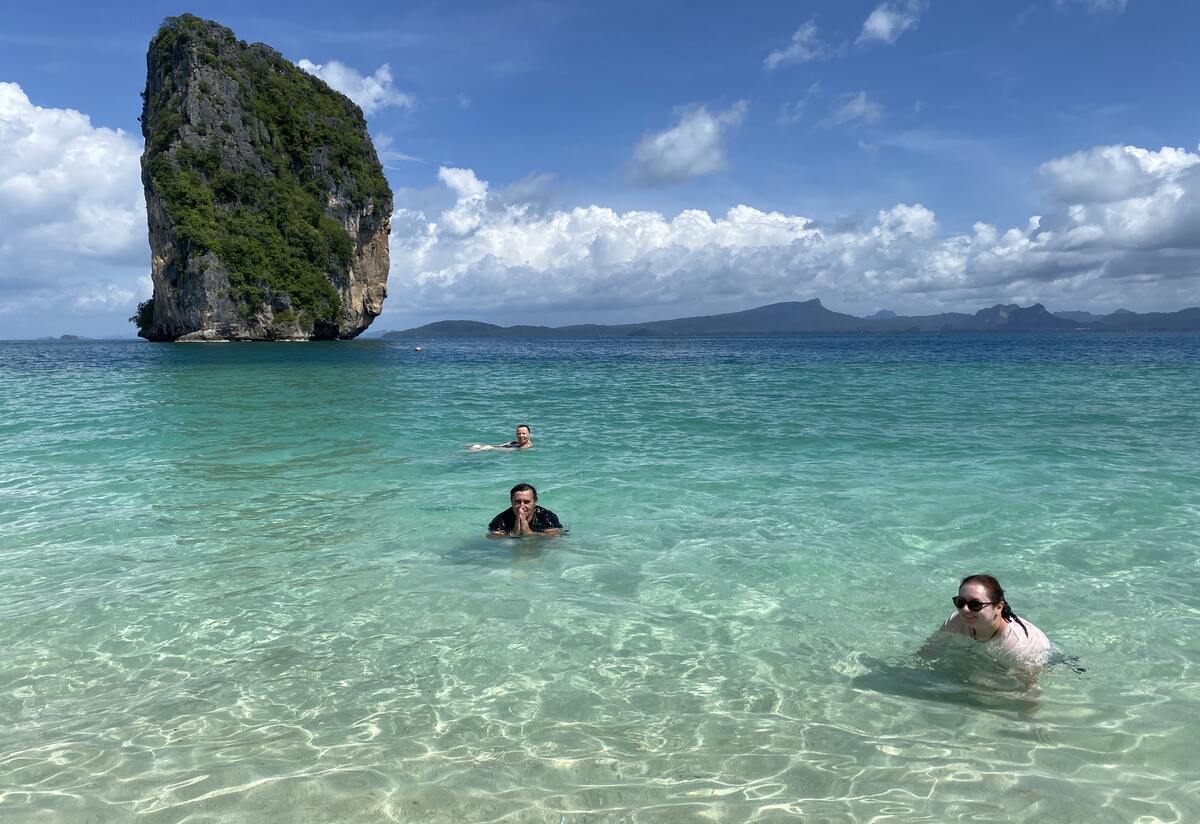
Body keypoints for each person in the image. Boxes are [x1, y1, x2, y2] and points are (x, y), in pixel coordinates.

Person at [925, 574, 1052, 668]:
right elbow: (929, 650)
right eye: (960, 602)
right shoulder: (956, 620)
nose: (965, 609)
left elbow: (1029, 692)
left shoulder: (1018, 646)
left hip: (1049, 662)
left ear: (998, 607)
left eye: (975, 605)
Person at [487, 483, 562, 538]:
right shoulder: (501, 520)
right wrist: (513, 533)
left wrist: (529, 533)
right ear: (511, 501)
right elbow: (492, 539)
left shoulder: (546, 516)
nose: (522, 506)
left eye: (526, 502)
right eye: (517, 502)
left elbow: (557, 538)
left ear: (535, 502)